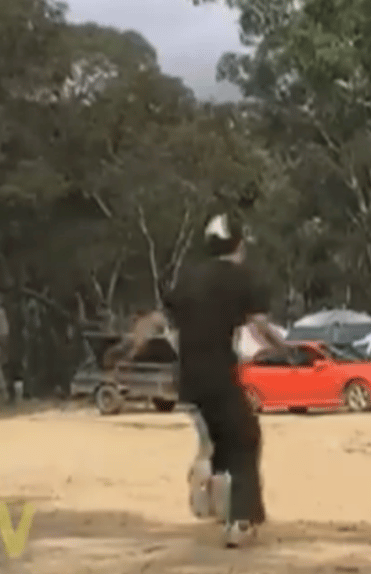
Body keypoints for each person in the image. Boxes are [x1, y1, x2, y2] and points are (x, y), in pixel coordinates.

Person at [109, 211, 284, 548]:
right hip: (220, 374)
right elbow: (261, 327)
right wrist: (287, 349)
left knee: (219, 437)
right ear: (239, 244)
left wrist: (131, 345)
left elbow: (157, 319)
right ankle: (239, 521)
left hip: (189, 379)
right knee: (246, 438)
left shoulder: (189, 278)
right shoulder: (242, 277)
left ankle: (210, 482)